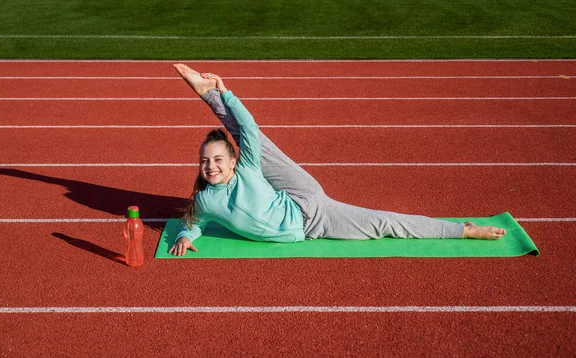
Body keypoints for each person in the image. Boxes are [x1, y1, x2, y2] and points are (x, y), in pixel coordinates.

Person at [168, 64, 506, 256]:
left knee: (249, 137)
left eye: (216, 160)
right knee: (380, 227)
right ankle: (461, 231)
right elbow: (193, 222)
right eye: (204, 162)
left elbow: (249, 127)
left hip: (308, 201)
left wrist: (224, 90)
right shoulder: (206, 200)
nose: (210, 166)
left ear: (230, 162)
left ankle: (463, 231)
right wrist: (186, 236)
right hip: (311, 227)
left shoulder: (246, 168)